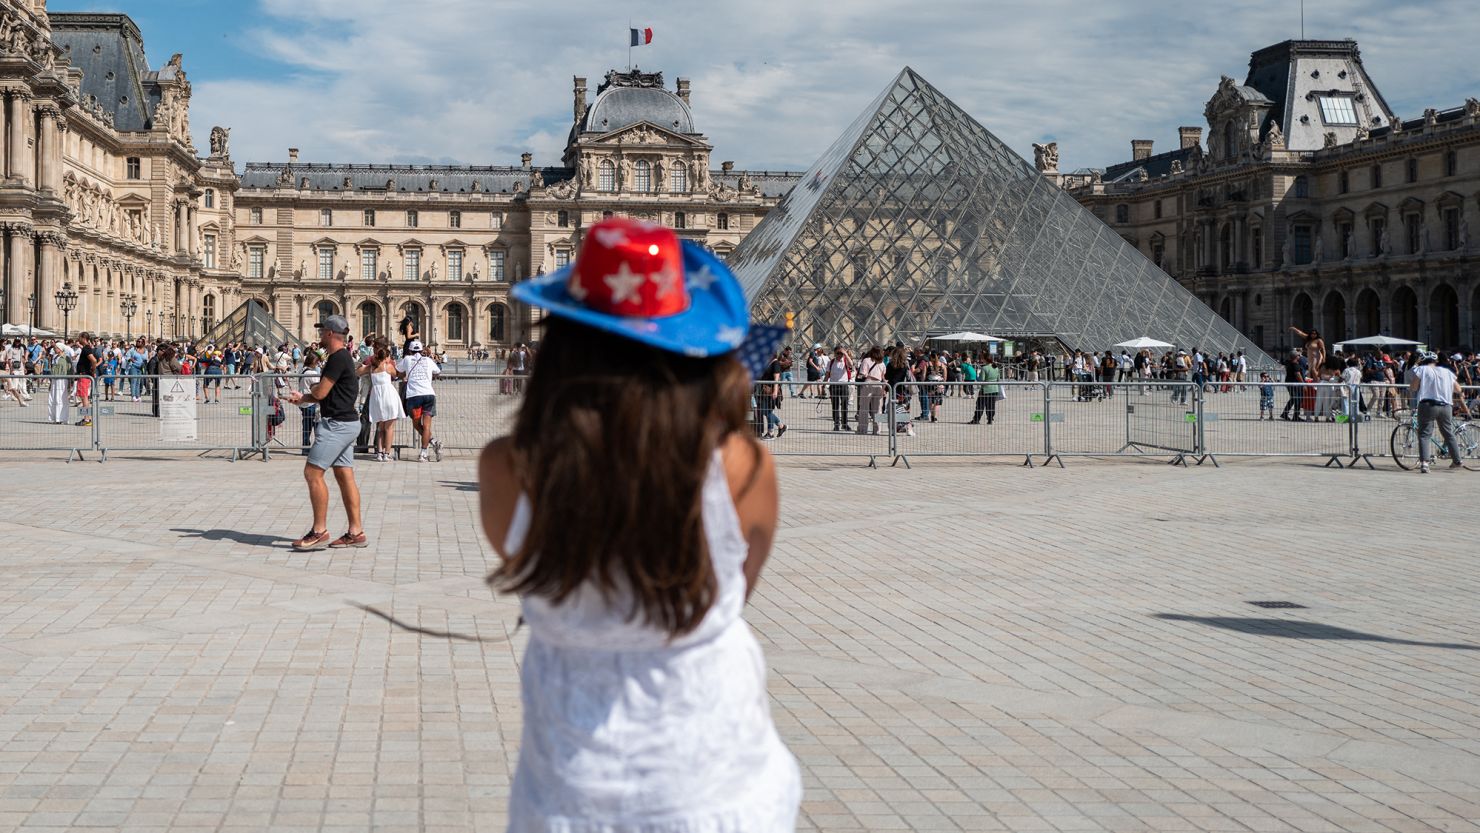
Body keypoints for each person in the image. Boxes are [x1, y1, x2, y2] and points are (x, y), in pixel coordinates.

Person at [478, 217, 800, 829]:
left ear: (562, 344)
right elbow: (733, 589)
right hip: (718, 779)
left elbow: (539, 565)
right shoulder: (743, 462)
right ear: (690, 345)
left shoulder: (506, 468)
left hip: (571, 787)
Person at [286, 315, 367, 550]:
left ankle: (319, 531)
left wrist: (311, 389)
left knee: (313, 474)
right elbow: (328, 394)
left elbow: (321, 393)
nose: (320, 335)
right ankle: (356, 531)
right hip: (348, 422)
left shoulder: (336, 359)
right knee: (344, 476)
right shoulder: (343, 358)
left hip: (336, 426)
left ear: (331, 333)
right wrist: (303, 399)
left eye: (322, 331)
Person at [1408, 351, 1471, 473]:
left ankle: (1425, 463)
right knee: (1448, 433)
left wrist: (1414, 387)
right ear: (1436, 361)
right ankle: (1457, 461)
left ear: (1422, 361)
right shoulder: (1447, 372)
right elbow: (1458, 389)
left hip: (1427, 404)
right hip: (1446, 406)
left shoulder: (1421, 369)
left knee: (1425, 434)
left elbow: (1414, 387)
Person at [396, 339, 444, 462]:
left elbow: (398, 371)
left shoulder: (407, 359)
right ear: (421, 350)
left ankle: (431, 445)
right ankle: (425, 451)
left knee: (417, 425)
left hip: (414, 396)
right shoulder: (428, 360)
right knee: (427, 426)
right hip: (429, 394)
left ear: (410, 350)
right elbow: (438, 371)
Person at [359, 342, 404, 463]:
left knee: (380, 427)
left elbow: (358, 371)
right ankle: (386, 454)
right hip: (388, 395)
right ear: (385, 357)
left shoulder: (372, 367)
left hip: (376, 397)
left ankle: (379, 452)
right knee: (389, 427)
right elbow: (397, 375)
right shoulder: (388, 366)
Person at [855, 346, 886, 434]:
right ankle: (877, 429)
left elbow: (863, 374)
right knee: (878, 409)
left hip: (868, 384)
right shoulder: (882, 363)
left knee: (864, 408)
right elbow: (884, 377)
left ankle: (862, 429)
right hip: (879, 385)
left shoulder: (866, 360)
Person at [825, 346, 852, 431]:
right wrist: (823, 384)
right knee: (835, 406)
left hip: (843, 385)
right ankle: (836, 424)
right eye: (838, 353)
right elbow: (827, 374)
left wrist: (845, 354)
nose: (840, 355)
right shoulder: (831, 362)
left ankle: (845, 424)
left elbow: (851, 364)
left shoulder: (845, 361)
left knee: (844, 406)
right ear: (835, 353)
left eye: (841, 353)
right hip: (834, 385)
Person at [299, 351, 322, 453]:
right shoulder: (312, 373)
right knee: (317, 427)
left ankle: (305, 447)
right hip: (311, 402)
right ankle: (316, 448)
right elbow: (318, 387)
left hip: (304, 401)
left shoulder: (303, 370)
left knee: (306, 427)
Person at [970, 356, 1002, 424]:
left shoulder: (984, 368)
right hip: (994, 389)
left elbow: (982, 380)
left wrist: (977, 376)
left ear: (985, 360)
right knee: (991, 405)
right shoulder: (996, 367)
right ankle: (990, 419)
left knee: (980, 405)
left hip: (985, 389)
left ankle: (976, 419)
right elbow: (998, 379)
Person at [1279, 348, 1307, 421]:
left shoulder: (1288, 363)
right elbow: (1298, 374)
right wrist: (1303, 384)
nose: (1299, 356)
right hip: (1295, 384)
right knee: (1298, 399)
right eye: (1298, 355)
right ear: (1295, 357)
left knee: (1293, 398)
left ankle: (1285, 413)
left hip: (1289, 383)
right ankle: (1295, 416)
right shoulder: (1295, 365)